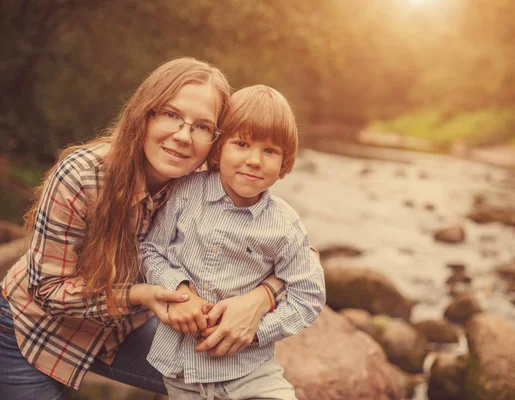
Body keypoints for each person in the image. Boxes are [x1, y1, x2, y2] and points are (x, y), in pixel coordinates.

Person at [0, 58, 313, 399]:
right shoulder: (81, 176)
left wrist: (259, 300)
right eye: (170, 114)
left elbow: (302, 257)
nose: (182, 136)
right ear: (143, 113)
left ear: (217, 141)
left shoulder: (200, 188)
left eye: (202, 126)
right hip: (36, 332)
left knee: (225, 378)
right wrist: (142, 295)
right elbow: (48, 290)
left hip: (123, 329)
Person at [140, 84, 326, 400]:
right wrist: (179, 290)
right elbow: (150, 249)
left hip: (252, 374)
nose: (254, 160)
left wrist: (258, 331)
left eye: (270, 151)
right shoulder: (185, 193)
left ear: (284, 162)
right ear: (217, 149)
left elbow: (308, 293)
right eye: (241, 144)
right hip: (182, 371)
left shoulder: (285, 225)